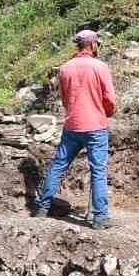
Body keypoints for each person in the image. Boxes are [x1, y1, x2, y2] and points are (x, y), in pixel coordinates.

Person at [33, 30, 116, 229]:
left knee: (59, 166)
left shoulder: (64, 68)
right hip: (95, 126)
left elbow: (64, 100)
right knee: (98, 171)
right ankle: (100, 218)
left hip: (72, 126)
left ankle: (42, 209)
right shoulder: (100, 67)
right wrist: (104, 112)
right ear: (93, 45)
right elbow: (110, 101)